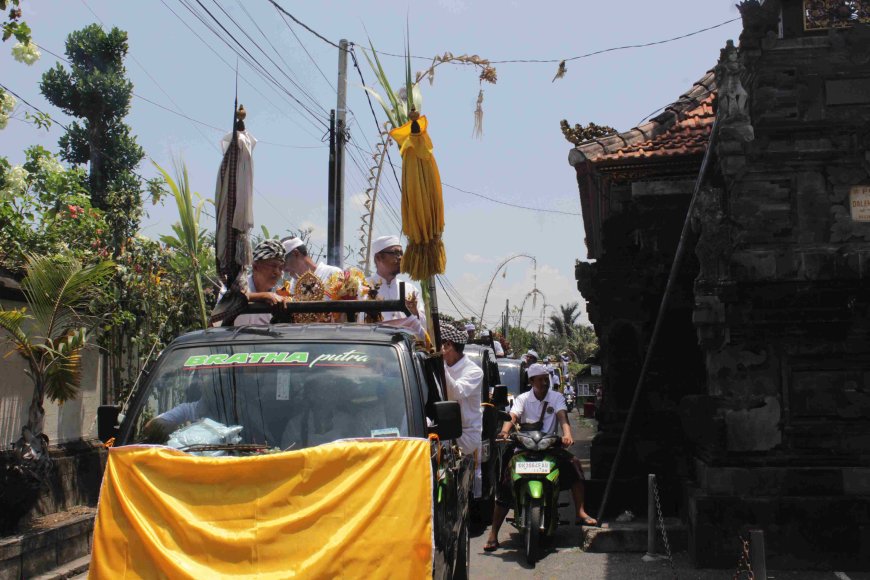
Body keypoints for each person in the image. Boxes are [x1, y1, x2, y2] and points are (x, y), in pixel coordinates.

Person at [484, 363, 596, 551]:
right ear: (531, 381)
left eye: (547, 378)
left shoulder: (557, 397)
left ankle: (580, 512)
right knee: (505, 481)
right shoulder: (522, 399)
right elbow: (512, 416)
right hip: (524, 448)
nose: (545, 382)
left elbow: (562, 418)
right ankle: (493, 533)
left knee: (575, 466)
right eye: (541, 379)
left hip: (549, 447)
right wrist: (504, 432)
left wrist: (567, 435)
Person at [441, 322, 484, 498]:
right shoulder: (444, 367)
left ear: (449, 346)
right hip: (442, 432)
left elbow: (455, 392)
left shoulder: (474, 371)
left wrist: (439, 365)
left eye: (442, 345)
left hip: (465, 435)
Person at [364, 235, 428, 340]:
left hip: (403, 349)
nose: (400, 257)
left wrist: (414, 312)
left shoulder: (410, 289)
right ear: (379, 257)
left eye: (401, 253)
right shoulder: (363, 287)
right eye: (395, 253)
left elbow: (424, 326)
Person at [218, 239, 288, 325]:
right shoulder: (236, 284)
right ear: (255, 266)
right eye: (273, 266)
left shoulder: (280, 293)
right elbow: (226, 301)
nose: (277, 272)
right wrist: (263, 296)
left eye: (280, 268)